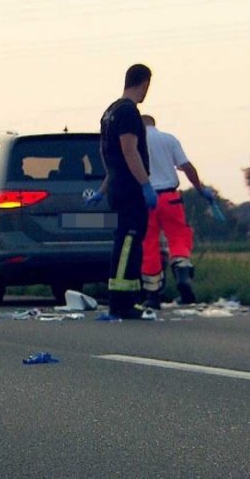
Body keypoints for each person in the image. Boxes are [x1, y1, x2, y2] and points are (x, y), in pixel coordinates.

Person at [89, 63, 157, 319]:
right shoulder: (129, 112)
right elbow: (129, 150)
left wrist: (103, 186)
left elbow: (107, 153)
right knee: (129, 241)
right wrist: (145, 184)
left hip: (117, 185)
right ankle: (122, 301)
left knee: (125, 241)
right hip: (130, 188)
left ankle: (127, 298)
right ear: (144, 83)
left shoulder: (110, 112)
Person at [139, 115, 215, 309]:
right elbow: (187, 167)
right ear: (154, 124)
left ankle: (153, 295)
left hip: (146, 199)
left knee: (149, 244)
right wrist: (201, 189)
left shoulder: (136, 141)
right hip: (170, 198)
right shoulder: (168, 139)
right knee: (178, 237)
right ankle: (183, 277)